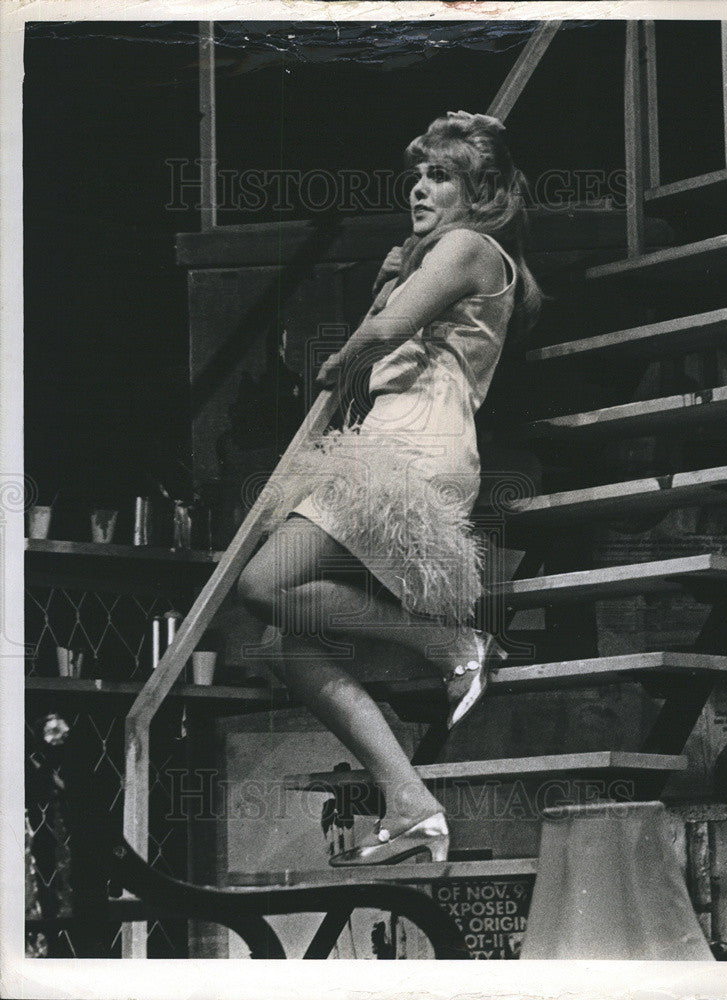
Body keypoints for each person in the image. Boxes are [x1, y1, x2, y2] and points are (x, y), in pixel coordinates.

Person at [237, 110, 541, 866]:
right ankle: (409, 802)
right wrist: (389, 281)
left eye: (440, 175)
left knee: (260, 583)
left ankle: (453, 642)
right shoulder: (438, 257)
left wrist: (350, 343)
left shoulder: (473, 247)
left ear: (485, 189)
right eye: (417, 173)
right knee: (292, 645)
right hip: (389, 442)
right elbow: (389, 338)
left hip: (414, 447)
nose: (419, 187)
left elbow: (383, 337)